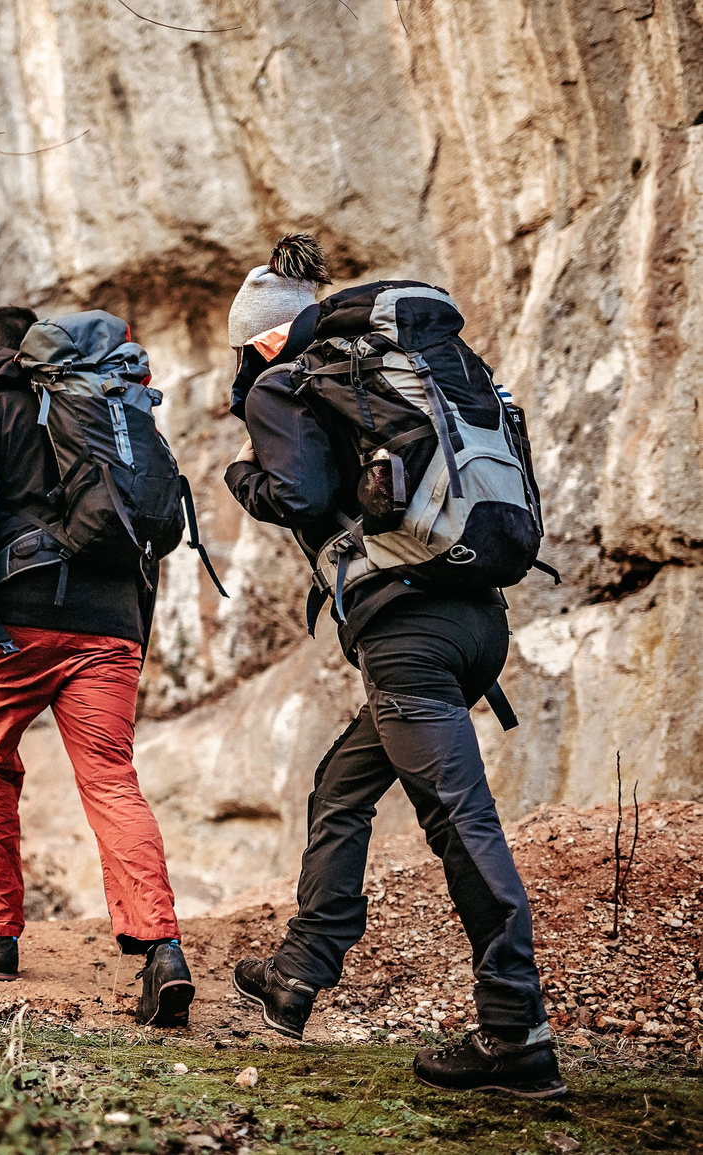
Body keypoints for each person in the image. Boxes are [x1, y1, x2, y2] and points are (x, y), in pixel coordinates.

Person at [223, 235, 565, 1098]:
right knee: (342, 783)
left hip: (410, 633)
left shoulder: (284, 382)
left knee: (459, 819)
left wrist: (240, 477)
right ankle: (300, 968)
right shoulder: (403, 370)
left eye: (243, 348)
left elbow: (297, 495)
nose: (241, 365)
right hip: (475, 618)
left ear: (266, 338)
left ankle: (516, 1032)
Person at [0, 306, 194, 1028]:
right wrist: (130, 627)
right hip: (111, 620)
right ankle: (162, 947)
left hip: (21, 621)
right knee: (110, 776)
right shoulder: (110, 401)